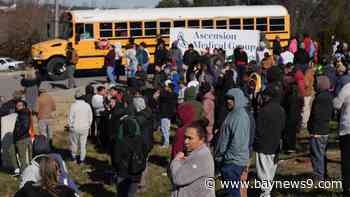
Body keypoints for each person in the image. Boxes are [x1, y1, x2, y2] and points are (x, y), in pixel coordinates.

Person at [215, 88, 250, 197]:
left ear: (238, 99)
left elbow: (237, 143)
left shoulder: (239, 116)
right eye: (227, 98)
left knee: (232, 193)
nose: (228, 101)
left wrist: (226, 158)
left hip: (232, 162)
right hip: (230, 160)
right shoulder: (234, 113)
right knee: (231, 191)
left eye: (231, 99)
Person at [254, 86, 286, 197]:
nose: (263, 97)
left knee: (263, 173)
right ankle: (267, 192)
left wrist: (256, 142)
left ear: (268, 97)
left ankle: (265, 194)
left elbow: (258, 129)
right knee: (270, 172)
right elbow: (283, 127)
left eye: (264, 95)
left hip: (263, 146)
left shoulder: (263, 110)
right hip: (275, 145)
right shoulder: (281, 110)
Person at [170, 121, 215, 197]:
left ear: (201, 140)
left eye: (190, 138)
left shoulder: (201, 157)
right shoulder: (195, 153)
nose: (185, 141)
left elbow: (177, 178)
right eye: (185, 137)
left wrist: (176, 160)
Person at [308, 76, 333, 181]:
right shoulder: (328, 96)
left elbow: (316, 115)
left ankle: (319, 177)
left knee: (317, 154)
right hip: (324, 129)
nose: (314, 85)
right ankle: (323, 174)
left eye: (316, 83)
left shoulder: (320, 98)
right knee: (321, 154)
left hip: (318, 130)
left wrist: (311, 127)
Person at [333, 82, 350, 196]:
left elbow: (337, 104)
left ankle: (347, 188)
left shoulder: (347, 87)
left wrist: (334, 99)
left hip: (348, 129)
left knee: (347, 160)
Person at [68, 90, 93, 165]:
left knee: (74, 143)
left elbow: (70, 118)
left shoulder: (73, 105)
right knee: (83, 144)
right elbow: (90, 117)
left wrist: (71, 126)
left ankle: (74, 158)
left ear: (75, 97)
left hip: (75, 127)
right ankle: (82, 160)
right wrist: (88, 125)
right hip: (85, 127)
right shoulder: (87, 105)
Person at [10, 100, 33, 175]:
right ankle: (22, 172)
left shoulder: (24, 113)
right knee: (24, 158)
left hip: (22, 139)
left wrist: (18, 135)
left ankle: (24, 176)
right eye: (17, 105)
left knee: (23, 159)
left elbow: (25, 126)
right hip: (22, 138)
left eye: (20, 105)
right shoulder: (22, 113)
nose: (18, 107)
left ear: (24, 106)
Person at [159, 82, 178, 147]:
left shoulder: (166, 95)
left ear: (169, 88)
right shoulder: (174, 95)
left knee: (164, 129)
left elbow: (161, 98)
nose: (165, 87)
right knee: (166, 129)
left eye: (166, 87)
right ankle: (166, 141)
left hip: (165, 113)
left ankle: (166, 143)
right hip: (169, 114)